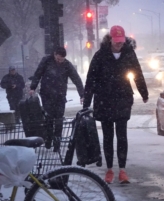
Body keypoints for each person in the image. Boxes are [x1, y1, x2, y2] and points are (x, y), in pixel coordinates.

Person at [83, 25, 149, 184]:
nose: (119, 44)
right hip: (104, 100)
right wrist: (86, 101)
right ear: (110, 39)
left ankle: (123, 170)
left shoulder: (129, 54)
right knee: (107, 137)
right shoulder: (100, 55)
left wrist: (144, 93)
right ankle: (110, 170)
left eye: (121, 41)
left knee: (122, 136)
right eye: (116, 41)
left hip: (122, 99)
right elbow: (91, 79)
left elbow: (138, 74)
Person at [29, 47, 84, 152]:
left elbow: (76, 79)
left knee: (59, 119)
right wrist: (33, 87)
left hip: (60, 96)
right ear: (54, 54)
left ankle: (57, 143)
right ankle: (48, 139)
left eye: (62, 60)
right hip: (46, 94)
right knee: (49, 118)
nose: (60, 61)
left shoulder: (67, 65)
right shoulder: (46, 61)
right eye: (58, 59)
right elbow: (38, 74)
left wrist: (82, 94)